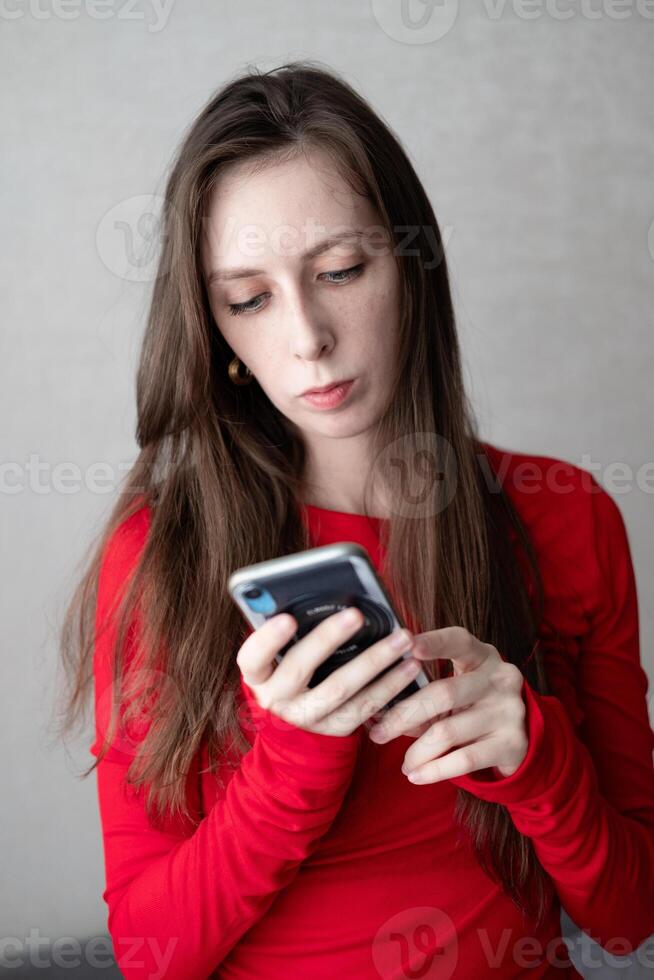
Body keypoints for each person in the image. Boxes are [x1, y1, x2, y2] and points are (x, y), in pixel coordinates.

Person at [58, 60, 654, 979]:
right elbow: (149, 957)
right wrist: (295, 758)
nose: (306, 336)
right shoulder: (159, 555)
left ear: (413, 267)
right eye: (249, 298)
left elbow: (629, 917)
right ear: (216, 334)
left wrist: (538, 757)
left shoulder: (567, 516)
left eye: (340, 269)